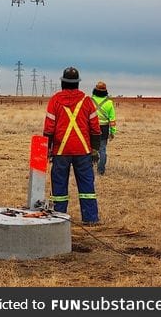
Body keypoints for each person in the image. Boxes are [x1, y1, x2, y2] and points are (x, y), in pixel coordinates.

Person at [43, 67, 101, 225]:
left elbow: (49, 128)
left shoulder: (55, 100)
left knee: (59, 186)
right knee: (86, 186)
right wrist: (95, 149)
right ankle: (90, 218)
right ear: (77, 84)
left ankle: (58, 217)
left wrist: (47, 149)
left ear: (62, 82)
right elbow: (95, 128)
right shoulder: (87, 101)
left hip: (61, 151)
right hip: (83, 151)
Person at [91, 80, 117, 176]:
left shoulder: (90, 101)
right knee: (102, 149)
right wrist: (112, 132)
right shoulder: (109, 103)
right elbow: (112, 120)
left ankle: (89, 168)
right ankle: (101, 170)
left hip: (92, 128)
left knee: (91, 148)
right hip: (104, 129)